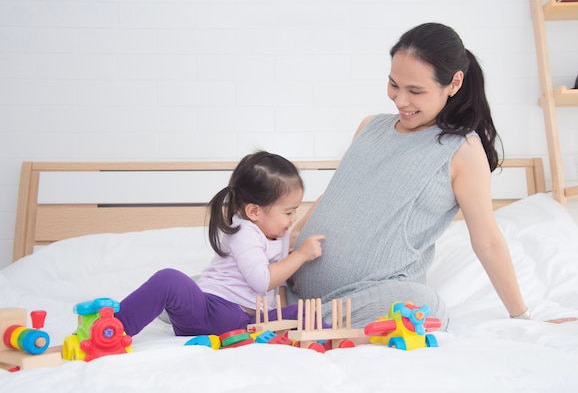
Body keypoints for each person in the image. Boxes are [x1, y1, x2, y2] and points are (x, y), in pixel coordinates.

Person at [288, 22, 531, 329]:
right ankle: (297, 318)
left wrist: (522, 315)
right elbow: (338, 194)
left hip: (373, 294)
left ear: (454, 83)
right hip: (297, 284)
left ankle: (293, 322)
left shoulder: (463, 151)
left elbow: (487, 242)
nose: (401, 100)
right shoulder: (370, 126)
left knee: (428, 308)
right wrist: (292, 236)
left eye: (415, 91)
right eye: (394, 85)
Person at [116, 151, 326, 337]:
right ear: (254, 212)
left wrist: (282, 319)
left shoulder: (278, 235)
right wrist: (300, 255)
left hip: (247, 324)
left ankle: (342, 339)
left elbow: (278, 286)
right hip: (212, 311)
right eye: (288, 212)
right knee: (168, 279)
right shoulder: (245, 232)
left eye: (295, 211)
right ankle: (113, 328)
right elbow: (262, 281)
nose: (292, 218)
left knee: (303, 311)